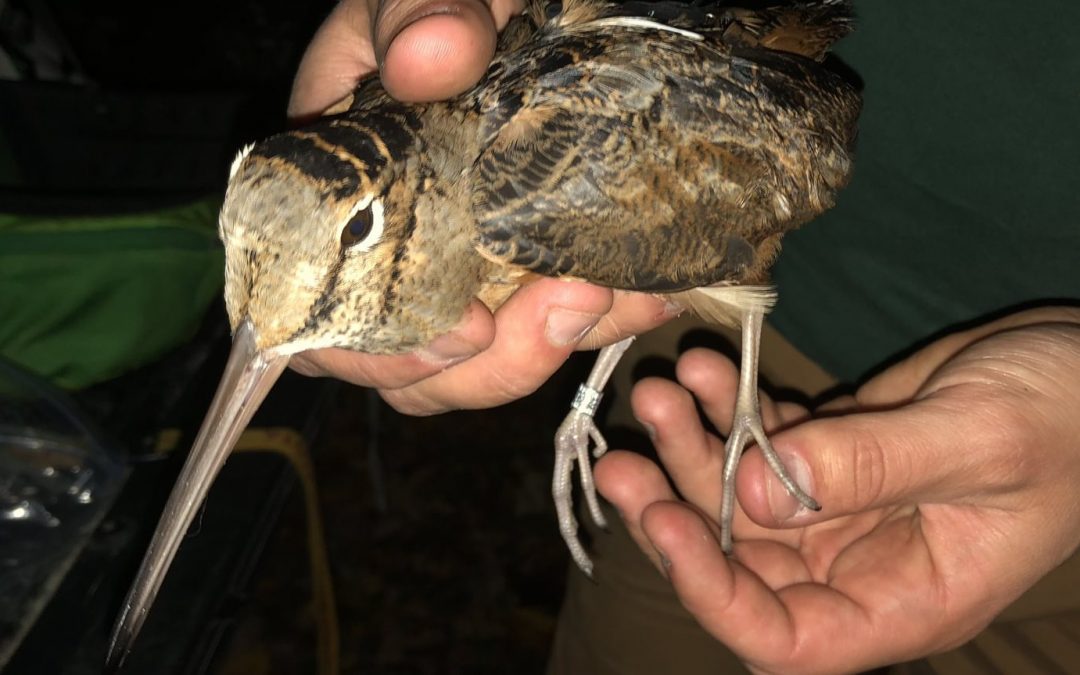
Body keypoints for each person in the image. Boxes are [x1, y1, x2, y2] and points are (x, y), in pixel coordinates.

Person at [287, 0, 1080, 673]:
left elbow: (744, 245)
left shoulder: (518, 199)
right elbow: (619, 267)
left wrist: (739, 413)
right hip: (705, 333)